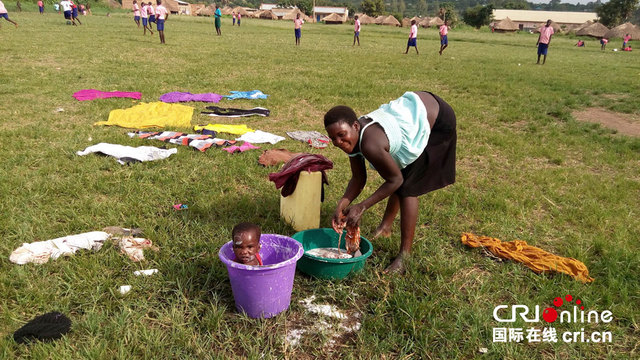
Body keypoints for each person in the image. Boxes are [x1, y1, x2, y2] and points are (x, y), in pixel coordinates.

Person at [324, 91, 457, 274]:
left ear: (355, 126)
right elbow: (358, 178)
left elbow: (396, 180)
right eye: (333, 139)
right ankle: (385, 227)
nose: (338, 142)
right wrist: (342, 203)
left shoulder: (370, 144)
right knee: (399, 171)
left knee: (409, 187)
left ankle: (405, 256)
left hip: (437, 118)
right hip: (415, 107)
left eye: (341, 135)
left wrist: (362, 206)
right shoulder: (352, 138)